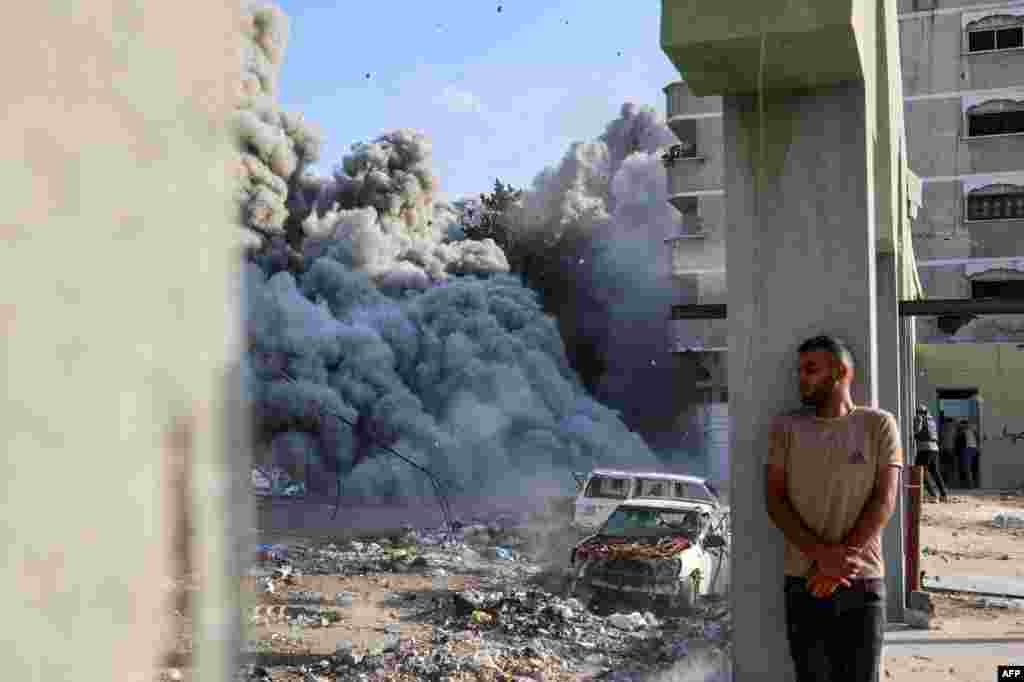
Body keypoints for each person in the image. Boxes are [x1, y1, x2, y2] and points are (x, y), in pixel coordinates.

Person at [765, 335, 902, 682]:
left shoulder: (879, 424)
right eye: (800, 370)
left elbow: (884, 499)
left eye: (811, 369)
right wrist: (822, 557)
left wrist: (839, 560)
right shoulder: (786, 428)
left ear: (841, 372)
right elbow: (775, 501)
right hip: (804, 582)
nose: (801, 378)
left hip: (863, 581)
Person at [914, 405, 948, 503]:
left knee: (920, 472)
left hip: (925, 448)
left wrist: (914, 430)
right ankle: (943, 494)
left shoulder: (920, 418)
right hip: (934, 448)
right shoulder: (931, 420)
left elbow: (917, 430)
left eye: (918, 412)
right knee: (935, 472)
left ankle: (933, 495)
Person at [939, 413, 959, 489]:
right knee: (952, 467)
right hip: (951, 449)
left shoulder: (943, 427)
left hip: (943, 448)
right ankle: (952, 484)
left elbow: (941, 437)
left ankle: (945, 483)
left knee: (944, 466)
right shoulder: (954, 427)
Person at [958, 419, 980, 489]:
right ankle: (973, 484)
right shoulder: (972, 430)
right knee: (973, 468)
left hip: (968, 450)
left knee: (967, 468)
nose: (960, 426)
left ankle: (970, 485)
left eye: (961, 424)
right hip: (974, 449)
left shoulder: (964, 431)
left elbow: (960, 441)